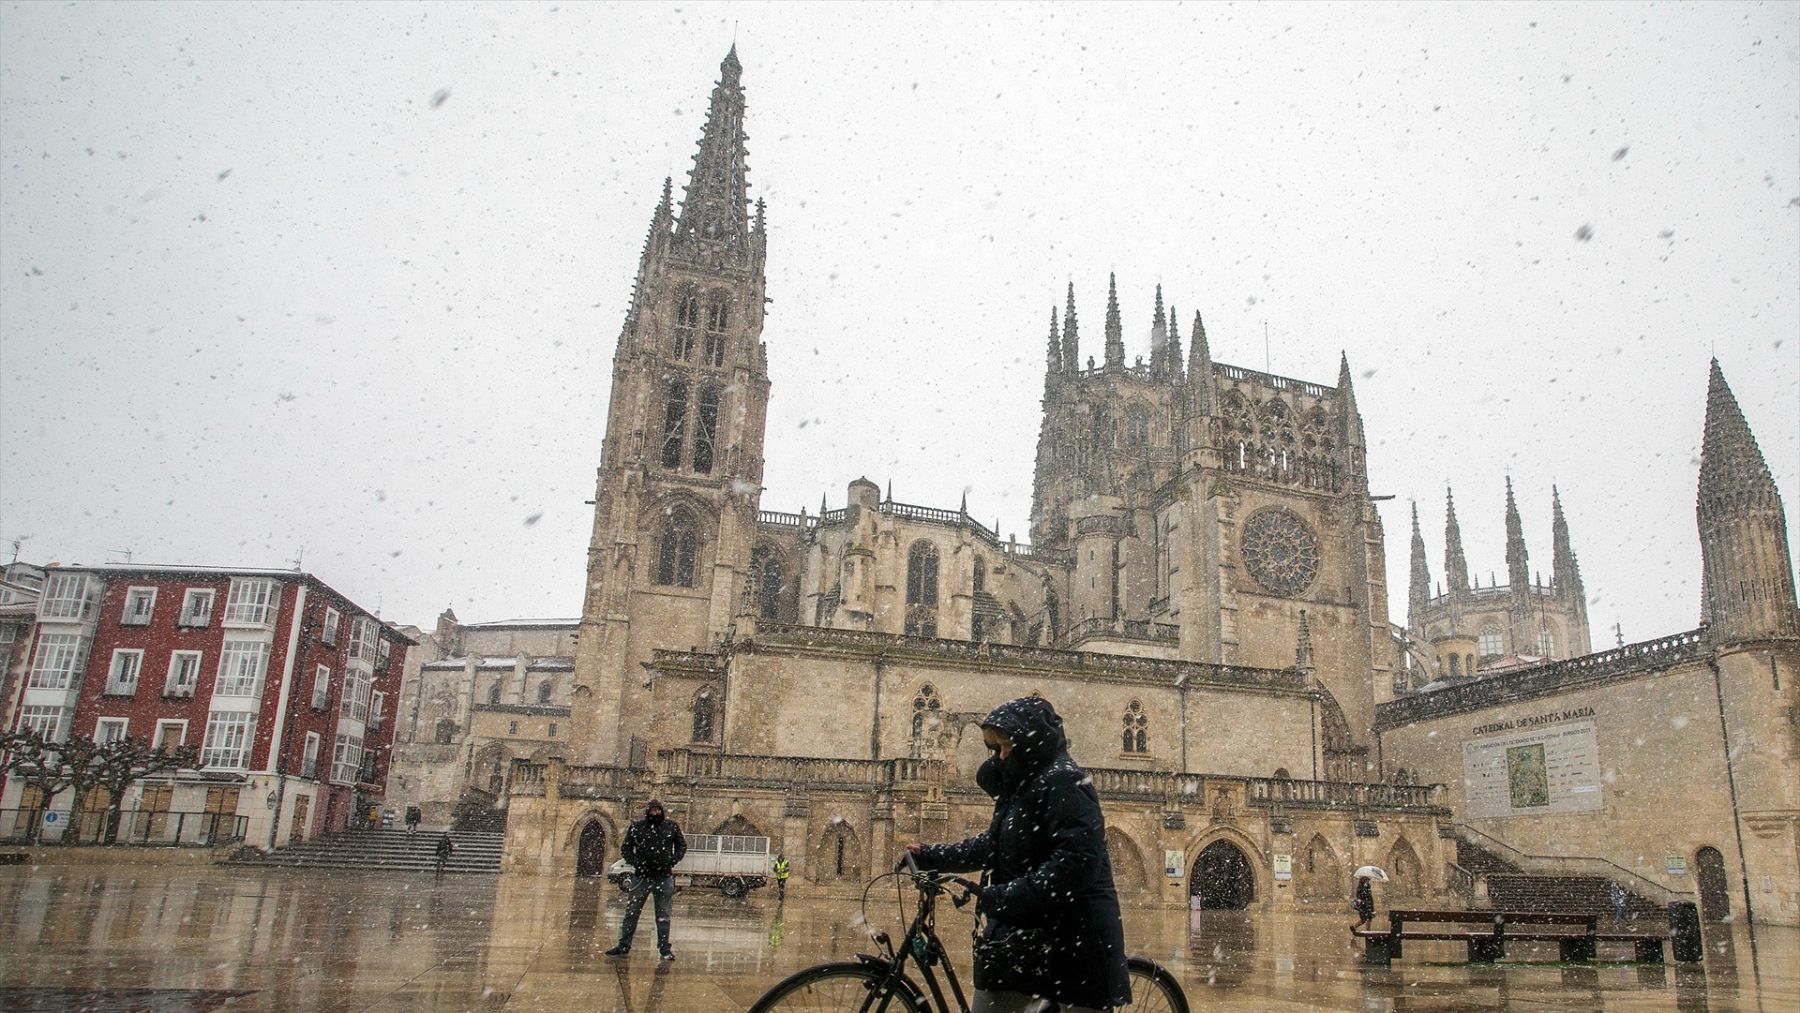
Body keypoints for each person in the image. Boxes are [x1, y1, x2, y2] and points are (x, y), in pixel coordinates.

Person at [904, 697, 1130, 1013]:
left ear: (1029, 740)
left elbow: (1077, 862)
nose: (1001, 755)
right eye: (994, 748)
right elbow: (992, 846)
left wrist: (1007, 896)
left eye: (1006, 745)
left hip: (1075, 933)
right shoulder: (1022, 785)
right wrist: (932, 855)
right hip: (1029, 930)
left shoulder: (1064, 780)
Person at [607, 798, 686, 961]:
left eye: (658, 810)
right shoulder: (637, 827)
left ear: (662, 811)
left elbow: (681, 846)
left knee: (663, 915)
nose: (655, 813)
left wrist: (672, 860)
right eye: (652, 810)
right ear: (648, 812)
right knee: (632, 913)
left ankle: (664, 949)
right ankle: (624, 945)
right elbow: (626, 848)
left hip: (663, 876)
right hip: (641, 877)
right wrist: (636, 862)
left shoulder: (671, 826)